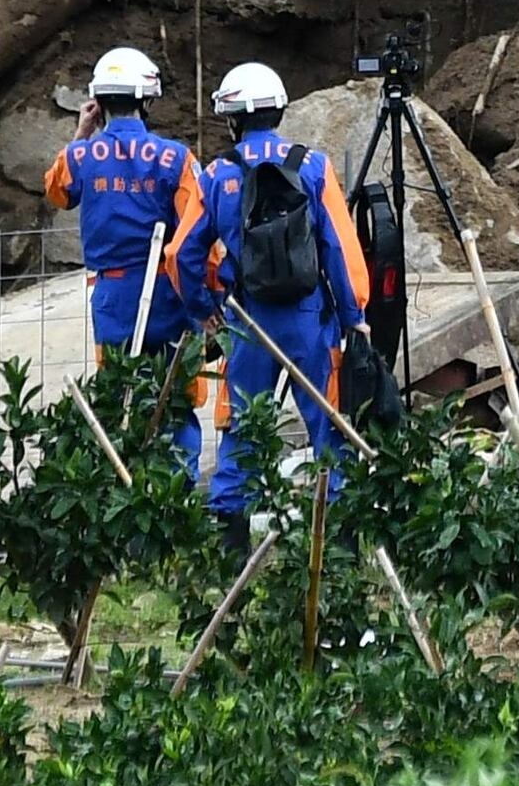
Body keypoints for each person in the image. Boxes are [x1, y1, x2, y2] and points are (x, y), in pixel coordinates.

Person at [166, 60, 369, 529]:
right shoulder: (314, 166)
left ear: (231, 118)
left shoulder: (216, 175)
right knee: (327, 428)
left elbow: (180, 255)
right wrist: (352, 314)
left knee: (243, 428)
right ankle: (334, 544)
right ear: (279, 110)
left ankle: (231, 548)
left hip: (246, 319)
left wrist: (205, 312)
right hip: (309, 317)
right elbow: (338, 247)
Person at [45, 44, 203, 359]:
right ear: (147, 100)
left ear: (97, 102)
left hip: (112, 294)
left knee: (116, 394)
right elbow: (195, 232)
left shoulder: (79, 156)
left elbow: (58, 193)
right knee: (173, 394)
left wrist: (81, 134)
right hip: (167, 292)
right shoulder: (177, 157)